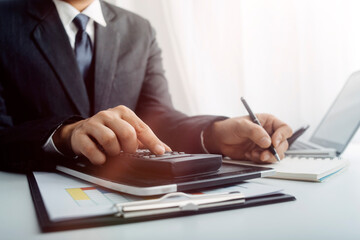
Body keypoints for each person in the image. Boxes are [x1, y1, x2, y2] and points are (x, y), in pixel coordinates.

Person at [0, 0, 292, 172]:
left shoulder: (139, 30)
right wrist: (66, 135)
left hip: (127, 194)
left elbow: (157, 117)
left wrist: (214, 133)